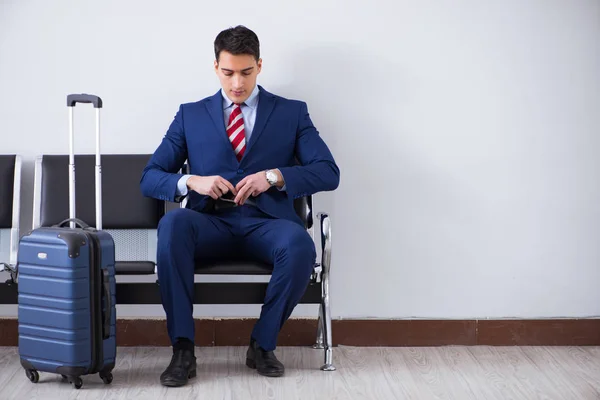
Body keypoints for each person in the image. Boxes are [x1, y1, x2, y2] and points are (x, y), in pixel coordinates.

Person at [140, 25, 340, 387]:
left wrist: (275, 176)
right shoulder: (190, 115)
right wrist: (192, 181)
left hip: (268, 224)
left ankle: (262, 344)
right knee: (172, 226)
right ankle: (183, 348)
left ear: (260, 66)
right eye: (228, 72)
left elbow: (328, 172)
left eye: (246, 72)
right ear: (215, 67)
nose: (237, 84)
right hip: (210, 224)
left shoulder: (291, 113)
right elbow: (150, 177)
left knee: (299, 244)